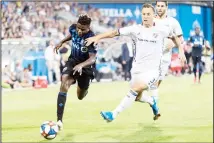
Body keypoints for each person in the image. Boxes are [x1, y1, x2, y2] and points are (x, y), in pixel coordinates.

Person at [86, 3, 186, 122]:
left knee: (135, 89)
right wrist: (97, 37)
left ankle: (113, 114)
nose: (146, 16)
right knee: (137, 97)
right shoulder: (135, 29)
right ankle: (152, 102)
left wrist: (181, 50)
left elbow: (175, 37)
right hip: (137, 70)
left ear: (153, 15)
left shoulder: (161, 29)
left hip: (153, 71)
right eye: (144, 14)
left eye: (148, 14)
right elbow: (114, 33)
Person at [135, 1, 185, 120]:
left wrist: (172, 45)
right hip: (149, 56)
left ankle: (154, 107)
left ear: (167, 7)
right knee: (142, 91)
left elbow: (180, 38)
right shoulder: (150, 19)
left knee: (154, 85)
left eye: (162, 6)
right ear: (155, 7)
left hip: (164, 58)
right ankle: (154, 106)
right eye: (158, 6)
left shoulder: (173, 22)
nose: (160, 8)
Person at [53, 14, 97, 129]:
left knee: (80, 96)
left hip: (86, 66)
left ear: (88, 28)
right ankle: (59, 121)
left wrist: (81, 65)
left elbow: (93, 58)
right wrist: (62, 41)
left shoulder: (91, 38)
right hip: (73, 61)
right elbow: (71, 35)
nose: (79, 31)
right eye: (78, 27)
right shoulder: (73, 28)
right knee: (64, 83)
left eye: (83, 29)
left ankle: (84, 89)